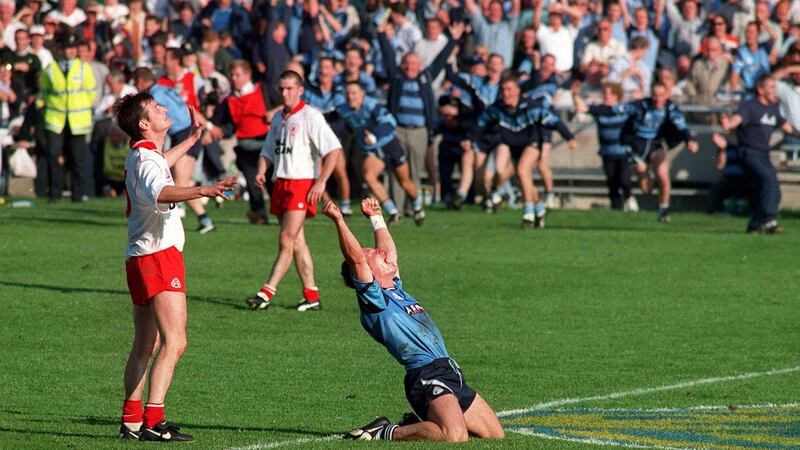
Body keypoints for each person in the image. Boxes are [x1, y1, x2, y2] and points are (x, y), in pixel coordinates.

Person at [322, 198, 505, 443]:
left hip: (449, 369)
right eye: (373, 253)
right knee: (455, 436)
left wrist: (376, 218)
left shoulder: (396, 287)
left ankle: (419, 425)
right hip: (425, 375)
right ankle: (385, 432)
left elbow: (390, 251)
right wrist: (339, 221)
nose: (381, 251)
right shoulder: (374, 299)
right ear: (367, 272)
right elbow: (355, 259)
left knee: (494, 435)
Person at [115, 91, 236, 442]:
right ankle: (154, 421)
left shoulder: (141, 155)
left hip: (139, 256)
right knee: (176, 341)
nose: (163, 109)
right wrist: (205, 189)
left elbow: (160, 164)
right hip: (158, 256)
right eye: (156, 108)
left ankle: (132, 420)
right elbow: (161, 193)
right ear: (143, 124)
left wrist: (192, 140)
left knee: (145, 344)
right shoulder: (147, 162)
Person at [246, 70, 343, 311]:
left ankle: (266, 292)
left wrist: (321, 182)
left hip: (301, 184)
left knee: (286, 238)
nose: (285, 93)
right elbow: (267, 151)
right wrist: (261, 171)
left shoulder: (311, 116)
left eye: (290, 88)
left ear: (300, 90)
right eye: (282, 89)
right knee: (297, 242)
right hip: (281, 183)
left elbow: (333, 149)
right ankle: (312, 296)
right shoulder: (279, 117)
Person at [474, 74, 576, 229]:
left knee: (522, 171)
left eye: (509, 89)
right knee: (524, 180)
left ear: (518, 91)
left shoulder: (531, 107)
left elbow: (554, 121)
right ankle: (540, 209)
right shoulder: (497, 109)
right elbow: (480, 123)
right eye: (503, 89)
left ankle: (528, 214)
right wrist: (470, 139)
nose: (505, 93)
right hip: (514, 146)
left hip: (532, 143)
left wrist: (569, 137)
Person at [133, 67, 216, 233]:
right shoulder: (165, 89)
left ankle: (204, 218)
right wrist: (207, 126)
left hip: (184, 134)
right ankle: (201, 209)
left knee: (178, 184)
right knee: (177, 179)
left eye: (136, 83)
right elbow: (188, 107)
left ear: (141, 82)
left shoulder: (153, 97)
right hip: (186, 132)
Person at [339, 81, 426, 226]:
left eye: (354, 93)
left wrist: (374, 135)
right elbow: (339, 123)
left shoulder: (373, 106)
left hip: (389, 145)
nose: (350, 96)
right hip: (372, 150)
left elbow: (390, 123)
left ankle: (417, 205)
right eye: (347, 93)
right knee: (368, 176)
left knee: (404, 181)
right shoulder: (344, 110)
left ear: (362, 94)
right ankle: (393, 211)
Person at [720, 75, 797, 234]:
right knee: (769, 181)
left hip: (763, 154)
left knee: (771, 187)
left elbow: (787, 128)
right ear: (760, 90)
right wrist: (728, 124)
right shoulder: (750, 107)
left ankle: (755, 224)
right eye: (771, 87)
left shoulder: (772, 109)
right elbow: (737, 120)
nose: (774, 91)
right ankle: (769, 220)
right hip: (748, 152)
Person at [209, 59, 278, 225]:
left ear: (248, 75)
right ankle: (259, 214)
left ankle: (283, 213)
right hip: (245, 147)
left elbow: (285, 105)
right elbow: (226, 125)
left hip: (267, 146)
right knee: (253, 182)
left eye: (238, 75)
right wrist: (215, 130)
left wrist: (273, 112)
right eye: (232, 75)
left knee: (273, 182)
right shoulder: (229, 100)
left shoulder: (264, 90)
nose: (234, 78)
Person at [622, 82, 699, 223]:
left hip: (657, 145)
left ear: (666, 95)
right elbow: (621, 115)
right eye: (655, 95)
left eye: (661, 95)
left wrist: (689, 140)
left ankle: (663, 211)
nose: (658, 99)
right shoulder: (641, 106)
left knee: (663, 177)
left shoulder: (671, 108)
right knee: (647, 190)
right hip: (638, 146)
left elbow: (681, 126)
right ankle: (646, 173)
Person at [40, 33, 96, 203]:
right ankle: (54, 193)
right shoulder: (50, 69)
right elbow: (44, 93)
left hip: (77, 120)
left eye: (73, 48)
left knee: (77, 158)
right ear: (60, 50)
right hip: (56, 118)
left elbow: (91, 92)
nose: (71, 52)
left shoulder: (83, 68)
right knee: (52, 154)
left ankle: (77, 194)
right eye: (67, 48)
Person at [572, 81, 637, 212]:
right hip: (607, 152)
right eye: (605, 94)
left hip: (623, 151)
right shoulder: (600, 110)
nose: (606, 96)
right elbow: (582, 108)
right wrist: (574, 94)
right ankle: (616, 208)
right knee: (612, 181)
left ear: (616, 95)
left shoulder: (624, 110)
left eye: (609, 94)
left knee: (624, 180)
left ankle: (629, 198)